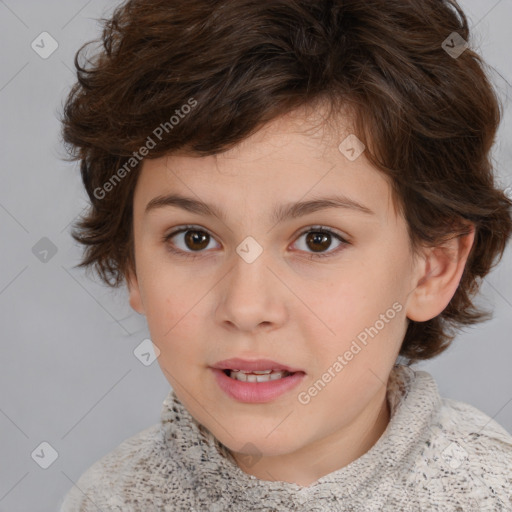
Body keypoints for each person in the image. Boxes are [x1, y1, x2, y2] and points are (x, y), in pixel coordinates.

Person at [58, 0, 512, 510]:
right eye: (194, 238)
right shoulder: (103, 499)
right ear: (131, 264)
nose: (247, 307)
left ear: (434, 266)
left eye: (319, 239)